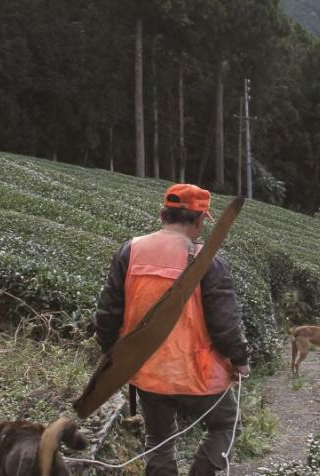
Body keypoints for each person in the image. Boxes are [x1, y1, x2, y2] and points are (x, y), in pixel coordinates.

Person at [94, 183, 251, 476]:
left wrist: (111, 353)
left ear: (162, 214)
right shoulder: (208, 260)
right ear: (201, 219)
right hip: (199, 371)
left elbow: (108, 312)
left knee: (159, 440)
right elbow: (224, 320)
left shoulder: (130, 250)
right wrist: (239, 359)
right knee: (226, 424)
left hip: (147, 369)